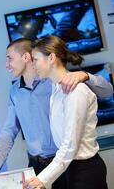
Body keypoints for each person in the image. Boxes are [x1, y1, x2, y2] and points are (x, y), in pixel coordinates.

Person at [0, 38, 112, 189]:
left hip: (64, 162)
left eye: (9, 58)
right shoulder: (20, 91)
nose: (6, 65)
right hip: (40, 164)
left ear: (27, 58)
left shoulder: (65, 84)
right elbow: (9, 130)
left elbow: (70, 143)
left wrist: (86, 75)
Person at [26, 35, 108, 189]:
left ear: (51, 58)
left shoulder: (75, 91)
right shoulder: (56, 88)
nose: (33, 65)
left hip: (86, 171)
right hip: (69, 168)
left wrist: (43, 178)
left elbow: (70, 144)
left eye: (35, 59)